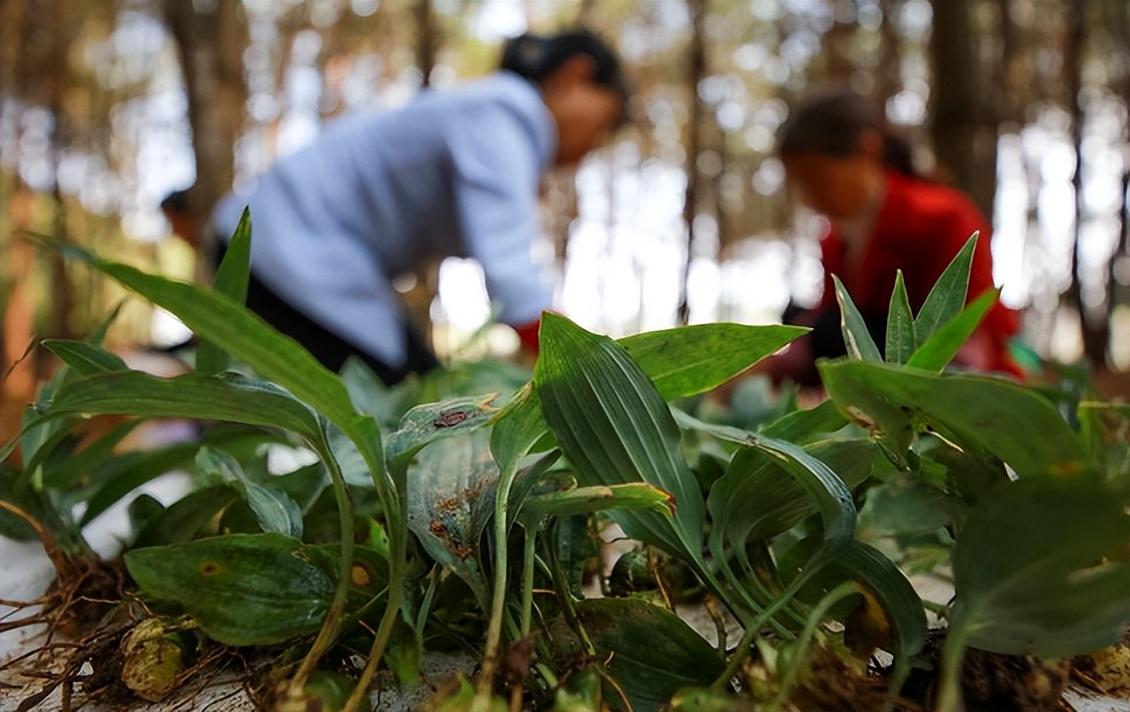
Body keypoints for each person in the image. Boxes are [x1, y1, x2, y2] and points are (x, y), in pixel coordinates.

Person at [210, 30, 629, 384]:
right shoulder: (507, 113)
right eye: (605, 126)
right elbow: (511, 275)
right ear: (577, 75)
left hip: (299, 251)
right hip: (284, 248)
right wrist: (587, 378)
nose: (594, 144)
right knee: (411, 403)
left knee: (418, 386)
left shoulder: (493, 114)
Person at [768, 91, 1021, 384]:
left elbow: (968, 338)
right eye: (799, 184)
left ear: (868, 149)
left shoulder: (943, 218)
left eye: (817, 180)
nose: (807, 197)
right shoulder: (835, 241)